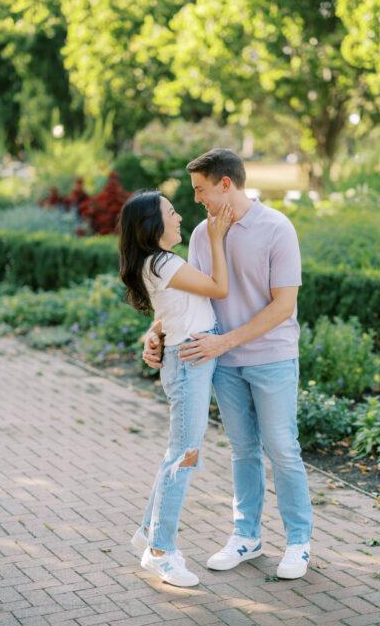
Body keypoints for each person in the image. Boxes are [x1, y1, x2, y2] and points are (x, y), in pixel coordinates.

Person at [143, 149, 313, 580]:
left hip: (271, 356)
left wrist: (226, 342)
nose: (196, 199)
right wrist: (156, 331)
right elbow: (189, 295)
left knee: (282, 448)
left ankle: (298, 541)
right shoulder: (202, 235)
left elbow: (284, 306)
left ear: (225, 184)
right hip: (222, 361)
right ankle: (247, 536)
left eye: (201, 190)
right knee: (243, 450)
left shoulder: (277, 228)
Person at [118, 190, 232, 587]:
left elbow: (172, 313)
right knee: (184, 455)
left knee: (179, 454)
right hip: (189, 363)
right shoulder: (163, 262)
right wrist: (217, 238)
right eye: (171, 212)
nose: (180, 216)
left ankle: (150, 535)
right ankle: (162, 552)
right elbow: (219, 289)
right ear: (153, 224)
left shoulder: (156, 263)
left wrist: (154, 335)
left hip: (189, 357)